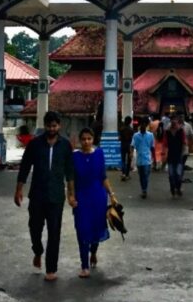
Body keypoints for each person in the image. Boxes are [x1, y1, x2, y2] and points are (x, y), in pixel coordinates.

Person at [14, 110, 77, 282]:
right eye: (49, 126)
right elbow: (25, 167)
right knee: (34, 228)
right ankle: (37, 251)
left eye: (54, 126)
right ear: (45, 126)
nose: (51, 129)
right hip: (37, 194)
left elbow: (70, 172)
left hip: (56, 196)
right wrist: (18, 189)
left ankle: (51, 268)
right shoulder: (34, 144)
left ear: (59, 126)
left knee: (54, 232)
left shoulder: (65, 145)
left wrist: (71, 194)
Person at [72, 127, 117, 278]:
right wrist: (70, 196)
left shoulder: (99, 153)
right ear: (80, 140)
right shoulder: (75, 157)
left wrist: (112, 194)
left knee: (97, 228)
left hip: (98, 196)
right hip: (81, 197)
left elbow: (103, 176)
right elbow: (70, 179)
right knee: (82, 229)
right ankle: (84, 265)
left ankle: (94, 251)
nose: (86, 142)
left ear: (93, 140)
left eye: (89, 139)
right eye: (83, 139)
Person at [130, 116, 155, 199]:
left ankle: (144, 190)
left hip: (147, 159)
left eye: (145, 124)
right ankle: (143, 189)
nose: (143, 126)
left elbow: (152, 147)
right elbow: (132, 145)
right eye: (142, 124)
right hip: (139, 159)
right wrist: (131, 154)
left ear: (147, 125)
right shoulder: (136, 135)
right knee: (141, 176)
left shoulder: (151, 135)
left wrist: (154, 159)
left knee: (145, 175)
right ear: (140, 125)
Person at [165, 115, 188, 198]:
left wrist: (182, 153)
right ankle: (172, 189)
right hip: (170, 156)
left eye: (175, 121)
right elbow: (166, 144)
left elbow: (184, 143)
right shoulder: (167, 132)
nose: (174, 123)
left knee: (178, 174)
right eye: (172, 121)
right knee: (171, 174)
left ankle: (178, 188)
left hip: (178, 156)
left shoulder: (181, 132)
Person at [118, 116, 134, 181]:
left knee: (123, 159)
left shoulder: (121, 129)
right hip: (129, 145)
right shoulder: (131, 129)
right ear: (130, 122)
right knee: (129, 160)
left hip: (123, 145)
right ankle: (127, 174)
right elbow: (132, 139)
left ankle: (123, 173)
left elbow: (119, 138)